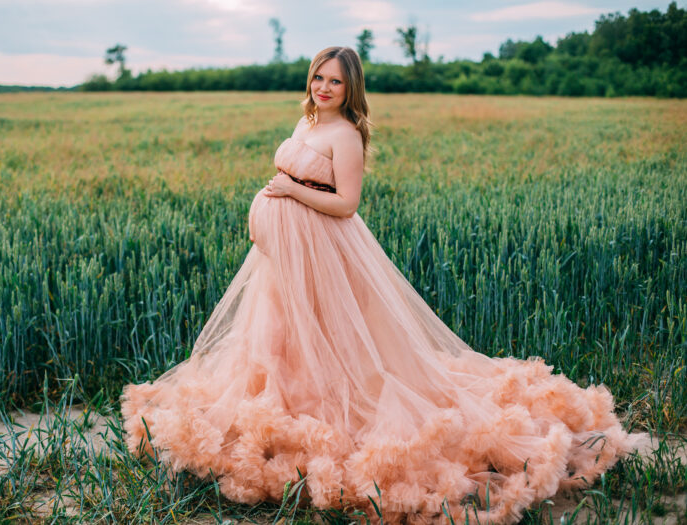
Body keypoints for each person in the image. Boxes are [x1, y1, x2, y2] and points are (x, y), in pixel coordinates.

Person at [121, 46, 646, 525]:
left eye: (336, 83)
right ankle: (287, 410)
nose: (324, 88)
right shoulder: (305, 120)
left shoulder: (346, 135)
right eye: (319, 78)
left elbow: (346, 204)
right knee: (281, 337)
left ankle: (337, 416)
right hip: (283, 258)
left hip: (325, 254)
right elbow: (295, 180)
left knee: (329, 337)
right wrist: (272, 209)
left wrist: (289, 193)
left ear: (352, 90)